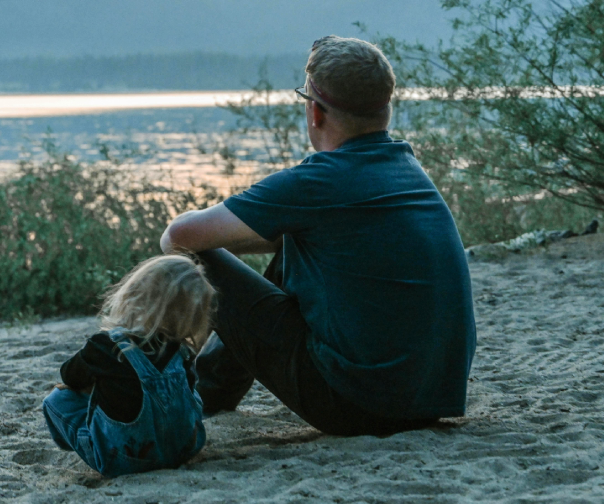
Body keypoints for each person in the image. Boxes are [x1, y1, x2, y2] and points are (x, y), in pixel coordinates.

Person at [160, 36, 477, 436]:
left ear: (315, 112)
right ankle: (211, 390)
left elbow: (177, 237)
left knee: (196, 257)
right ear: (386, 111)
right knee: (296, 238)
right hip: (432, 397)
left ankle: (189, 387)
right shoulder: (407, 169)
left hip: (356, 405)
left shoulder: (320, 182)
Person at [42, 254, 214, 477]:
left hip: (123, 460)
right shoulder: (182, 351)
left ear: (135, 295)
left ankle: (81, 444)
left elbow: (69, 376)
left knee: (57, 399)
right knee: (190, 393)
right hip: (182, 451)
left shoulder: (104, 346)